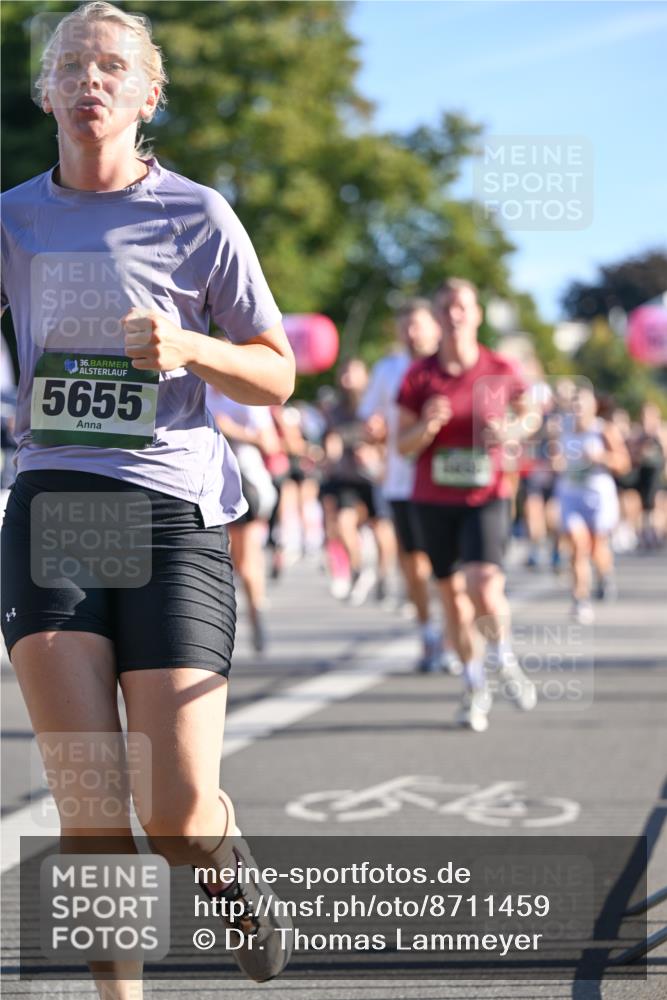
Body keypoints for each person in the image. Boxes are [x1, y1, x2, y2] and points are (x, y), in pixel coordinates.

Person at [0, 4, 295, 996]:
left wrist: (191, 348)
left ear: (145, 93)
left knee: (174, 816)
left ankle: (229, 873)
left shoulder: (198, 215)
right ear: (45, 91)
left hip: (170, 511)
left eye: (113, 65)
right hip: (52, 507)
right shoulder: (12, 218)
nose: (91, 79)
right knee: (89, 803)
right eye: (72, 64)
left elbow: (276, 373)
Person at [397, 278, 537, 733]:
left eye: (462, 306)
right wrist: (427, 427)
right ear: (437, 318)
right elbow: (403, 446)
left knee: (483, 584)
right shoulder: (420, 376)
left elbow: (531, 412)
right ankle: (475, 685)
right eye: (445, 307)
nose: (454, 314)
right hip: (433, 498)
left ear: (477, 314)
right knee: (453, 602)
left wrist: (512, 431)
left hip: (485, 494)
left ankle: (503, 657)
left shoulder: (500, 366)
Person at [359, 298, 462, 672]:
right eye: (404, 325)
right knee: (413, 565)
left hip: (447, 482)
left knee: (447, 569)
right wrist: (372, 432)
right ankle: (429, 634)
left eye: (417, 324)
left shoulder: (451, 366)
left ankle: (455, 637)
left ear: (435, 326)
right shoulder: (388, 370)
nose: (411, 332)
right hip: (400, 483)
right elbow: (369, 421)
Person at [207, 388, 281, 652]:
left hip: (243, 483)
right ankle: (218, 629)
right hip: (207, 486)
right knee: (219, 563)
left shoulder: (241, 393)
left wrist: (230, 430)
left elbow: (271, 443)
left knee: (246, 564)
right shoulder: (198, 388)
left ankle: (256, 616)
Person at [554, 386, 631, 623]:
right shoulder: (562, 429)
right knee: (578, 545)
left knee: (598, 548)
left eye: (582, 404)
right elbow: (553, 457)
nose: (577, 409)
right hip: (571, 495)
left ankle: (605, 573)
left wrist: (602, 458)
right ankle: (580, 599)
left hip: (598, 496)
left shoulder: (603, 430)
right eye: (574, 404)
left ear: (593, 407)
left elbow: (624, 463)